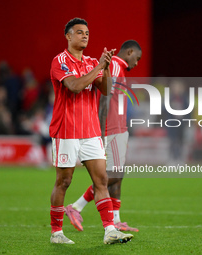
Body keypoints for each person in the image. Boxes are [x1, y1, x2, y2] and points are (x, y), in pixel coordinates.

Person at [49, 18, 133, 244]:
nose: (85, 36)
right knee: (63, 181)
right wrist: (98, 66)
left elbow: (105, 90)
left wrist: (104, 68)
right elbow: (74, 86)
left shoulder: (90, 62)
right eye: (79, 32)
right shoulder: (60, 61)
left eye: (87, 32)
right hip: (66, 130)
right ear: (68, 36)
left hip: (91, 131)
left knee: (102, 180)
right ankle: (56, 232)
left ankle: (109, 231)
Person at [64, 40, 142, 232]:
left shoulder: (119, 67)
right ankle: (76, 206)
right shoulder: (114, 64)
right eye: (137, 58)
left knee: (119, 175)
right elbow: (105, 97)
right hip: (111, 129)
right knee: (111, 176)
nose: (137, 63)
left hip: (119, 129)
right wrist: (100, 131)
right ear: (129, 51)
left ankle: (116, 219)